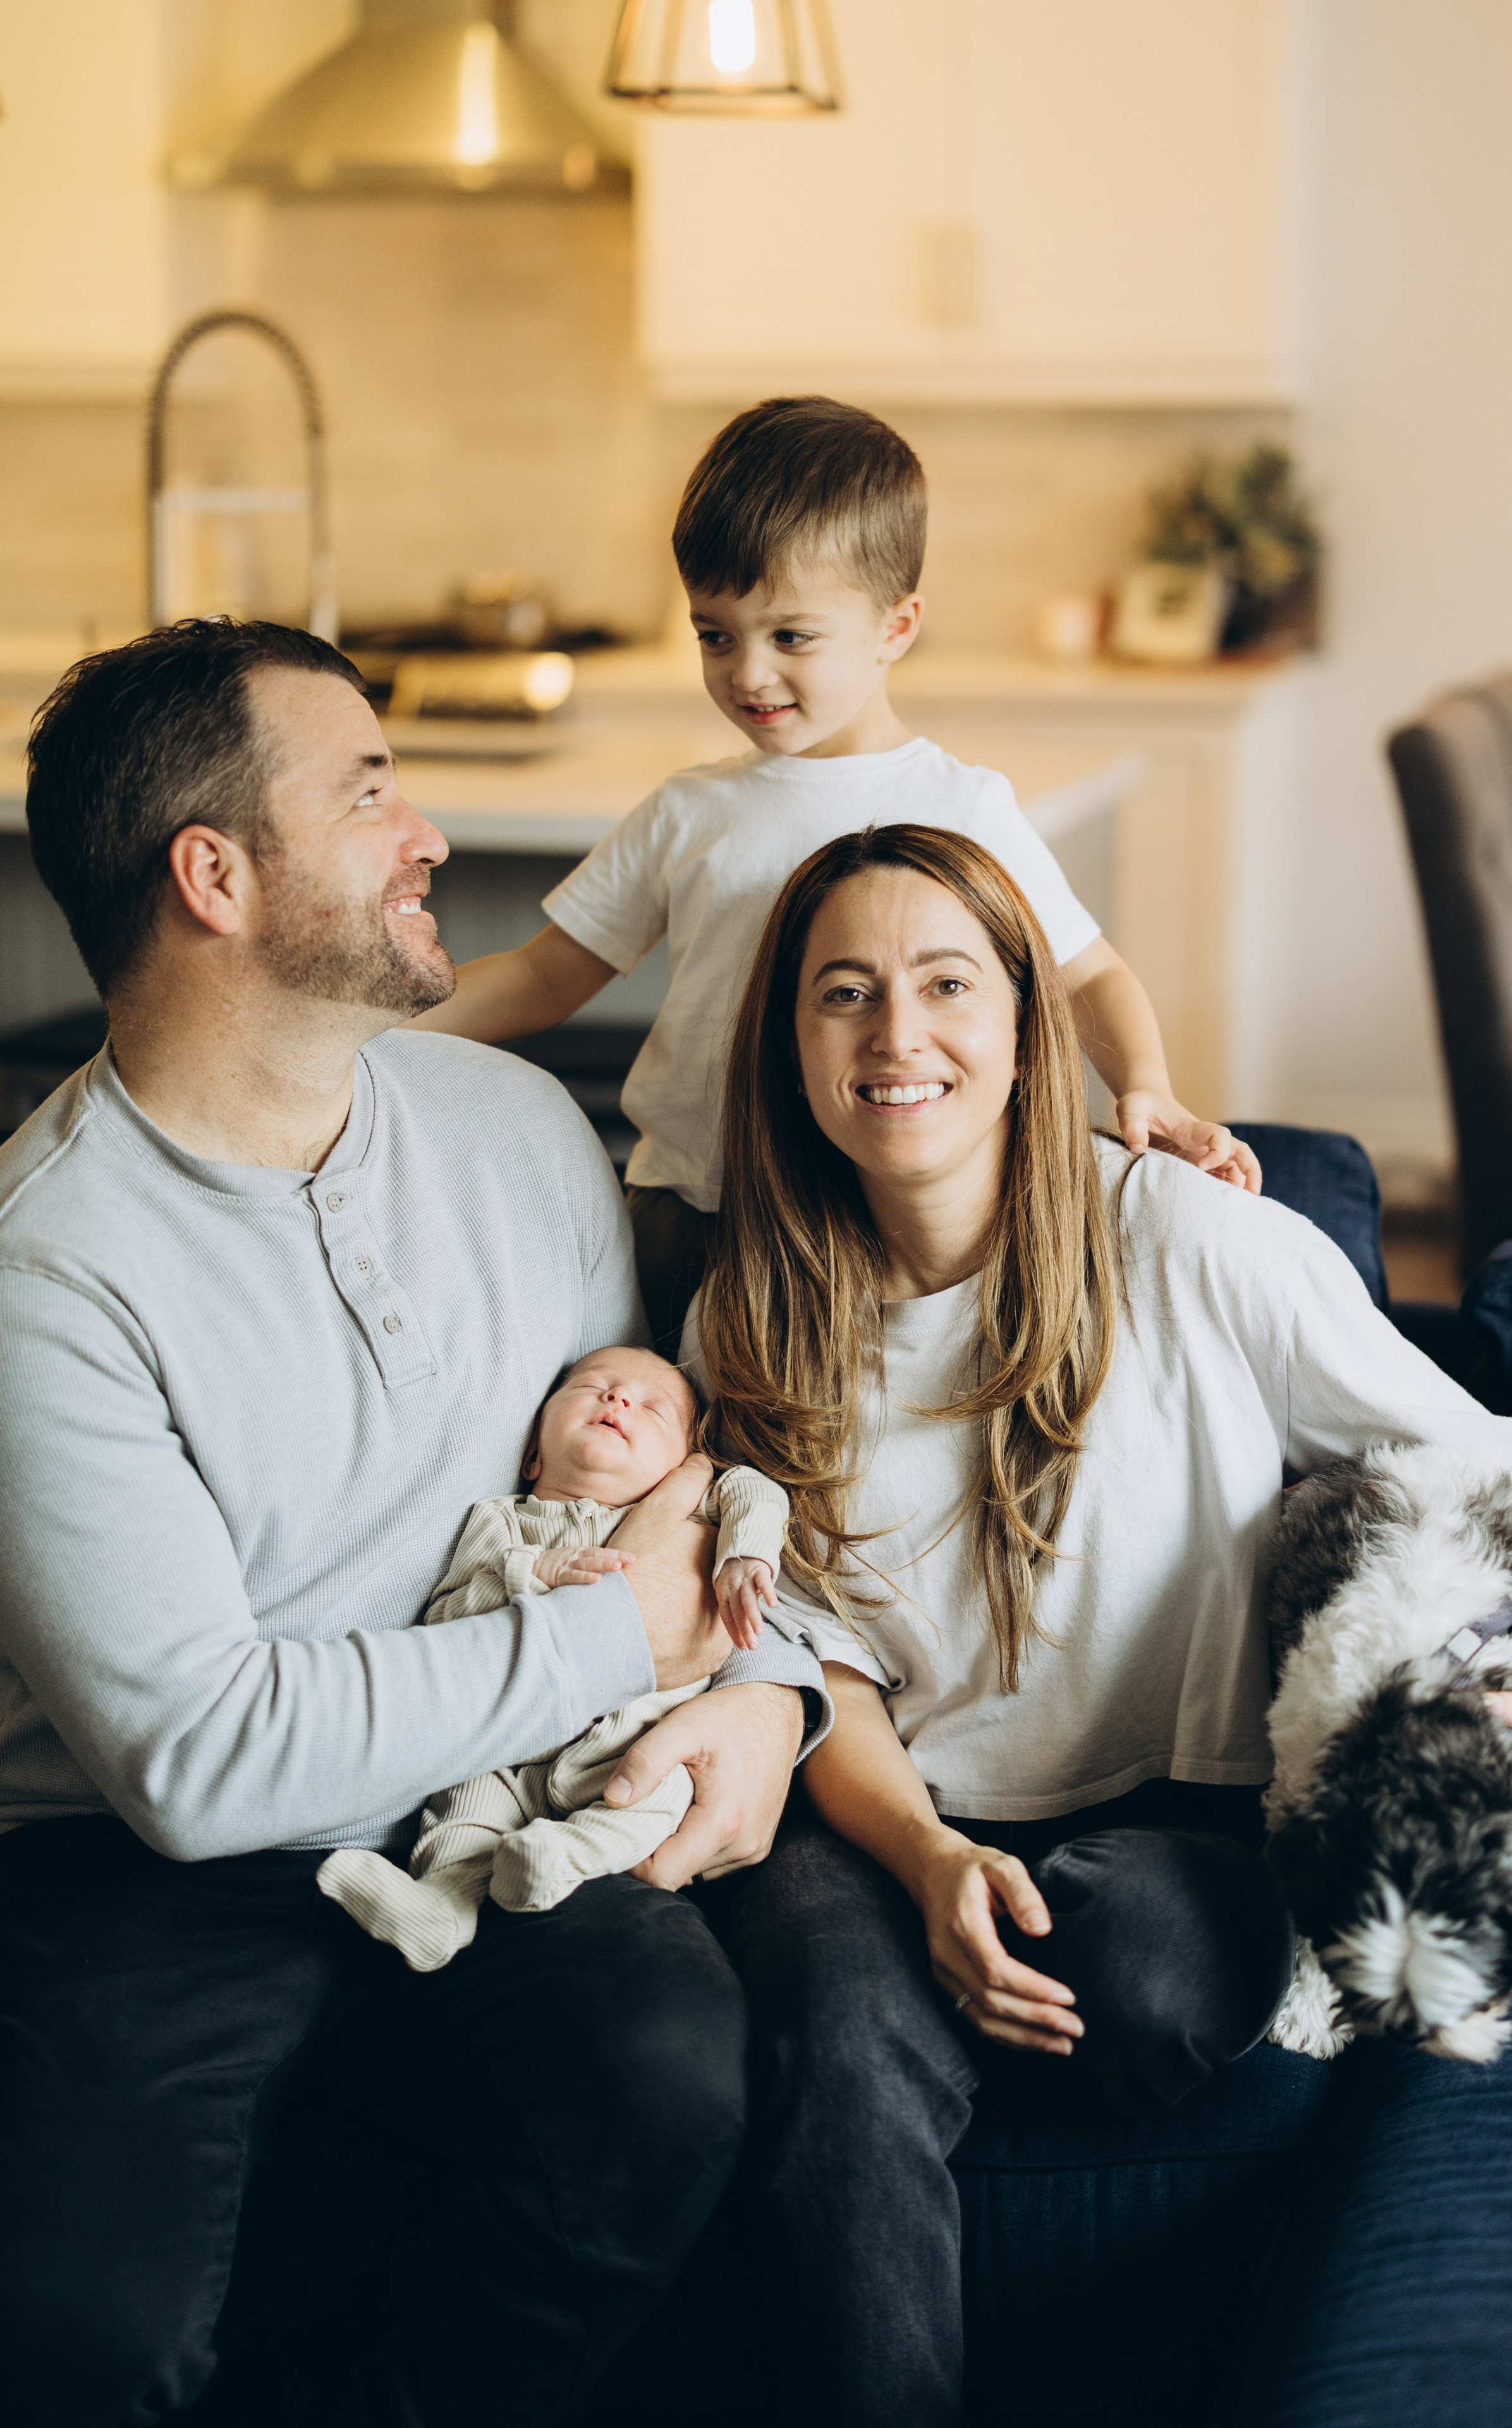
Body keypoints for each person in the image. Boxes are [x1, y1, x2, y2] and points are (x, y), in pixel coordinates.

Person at [685, 821, 1512, 2427]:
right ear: (787, 1043)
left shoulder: (1185, 1238)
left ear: (1027, 1026)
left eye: (942, 985)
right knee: (832, 2047)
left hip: (1184, 1816)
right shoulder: (746, 1314)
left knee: (1128, 1957)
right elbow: (815, 1662)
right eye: (842, 994)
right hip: (889, 1812)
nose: (894, 1038)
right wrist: (923, 1865)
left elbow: (1498, 1472)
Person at [0, 619, 827, 2428]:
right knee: (86, 2336)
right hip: (152, 1878)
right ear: (214, 876)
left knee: (671, 2076)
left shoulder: (522, 1128)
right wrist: (623, 1640)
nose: (430, 832)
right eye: (371, 791)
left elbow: (679, 1479)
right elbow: (200, 1760)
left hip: (493, 1803)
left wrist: (773, 1692)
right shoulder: (44, 1276)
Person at [414, 395, 1260, 1354]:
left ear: (896, 626)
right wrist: (369, 1029)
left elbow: (1088, 975)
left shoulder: (964, 806)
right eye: (715, 635)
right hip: (690, 1207)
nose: (749, 674)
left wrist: (1145, 1085)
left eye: (791, 637)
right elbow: (542, 975)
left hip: (865, 1217)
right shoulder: (690, 812)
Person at [318, 1342, 790, 1969]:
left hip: (628, 1742)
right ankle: (441, 1906)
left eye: (652, 1408)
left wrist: (745, 1556)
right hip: (508, 1750)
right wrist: (533, 1571)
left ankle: (562, 1858)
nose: (618, 1399)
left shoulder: (693, 1510)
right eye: (594, 1386)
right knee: (464, 1803)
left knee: (664, 1791)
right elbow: (448, 1620)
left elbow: (757, 1493)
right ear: (533, 1453)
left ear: (682, 1466)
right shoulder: (500, 1524)